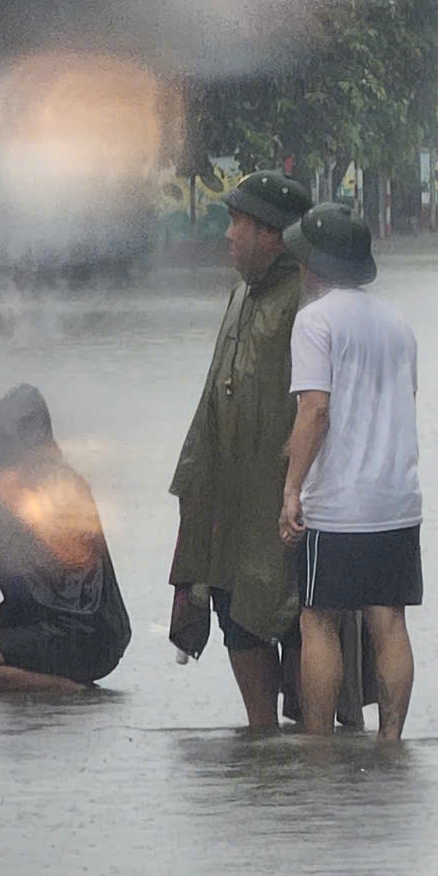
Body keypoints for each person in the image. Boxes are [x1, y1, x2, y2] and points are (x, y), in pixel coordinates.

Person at [169, 171, 314, 729]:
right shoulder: (237, 298)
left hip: (282, 496)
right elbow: (213, 399)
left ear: (272, 235)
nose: (227, 235)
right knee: (236, 615)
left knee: (298, 617)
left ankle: (306, 744)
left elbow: (319, 406)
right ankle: (263, 743)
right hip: (228, 497)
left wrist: (295, 485)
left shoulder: (305, 300)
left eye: (238, 223)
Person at [277, 205, 420, 739]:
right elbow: (405, 400)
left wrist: (292, 490)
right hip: (397, 498)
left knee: (319, 619)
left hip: (338, 502)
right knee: (390, 621)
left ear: (317, 265)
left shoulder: (314, 322)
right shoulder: (398, 324)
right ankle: (392, 743)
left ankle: (318, 747)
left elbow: (314, 409)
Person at [0, 385, 132, 693]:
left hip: (78, 632)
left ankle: (72, 692)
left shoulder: (38, 490)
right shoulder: (42, 481)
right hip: (87, 630)